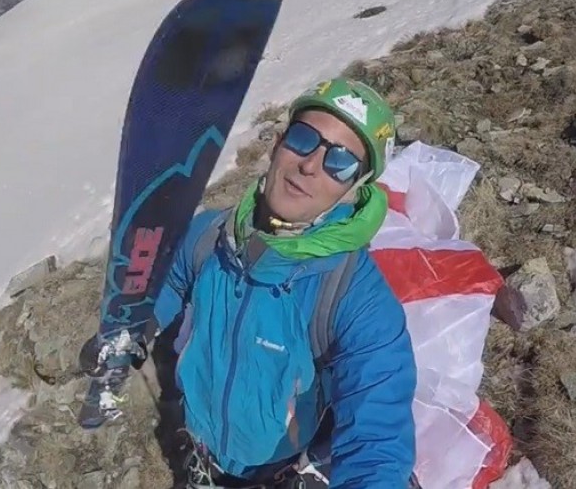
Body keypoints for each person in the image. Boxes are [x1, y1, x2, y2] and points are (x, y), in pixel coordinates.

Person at [152, 78, 419, 489]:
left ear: (353, 191)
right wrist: (132, 328)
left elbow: (377, 432)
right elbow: (170, 286)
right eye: (303, 138)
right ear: (278, 143)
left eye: (340, 162)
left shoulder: (355, 297)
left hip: (278, 472)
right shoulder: (209, 235)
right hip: (200, 451)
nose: (310, 164)